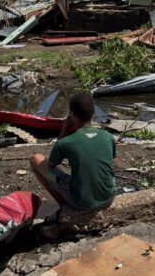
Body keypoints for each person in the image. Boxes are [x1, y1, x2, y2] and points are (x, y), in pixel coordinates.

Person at [30, 92, 116, 222]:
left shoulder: (66, 142)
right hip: (108, 196)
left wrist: (64, 130)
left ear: (72, 115)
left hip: (80, 198)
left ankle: (64, 205)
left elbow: (50, 165)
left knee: (36, 160)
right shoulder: (108, 137)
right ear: (93, 113)